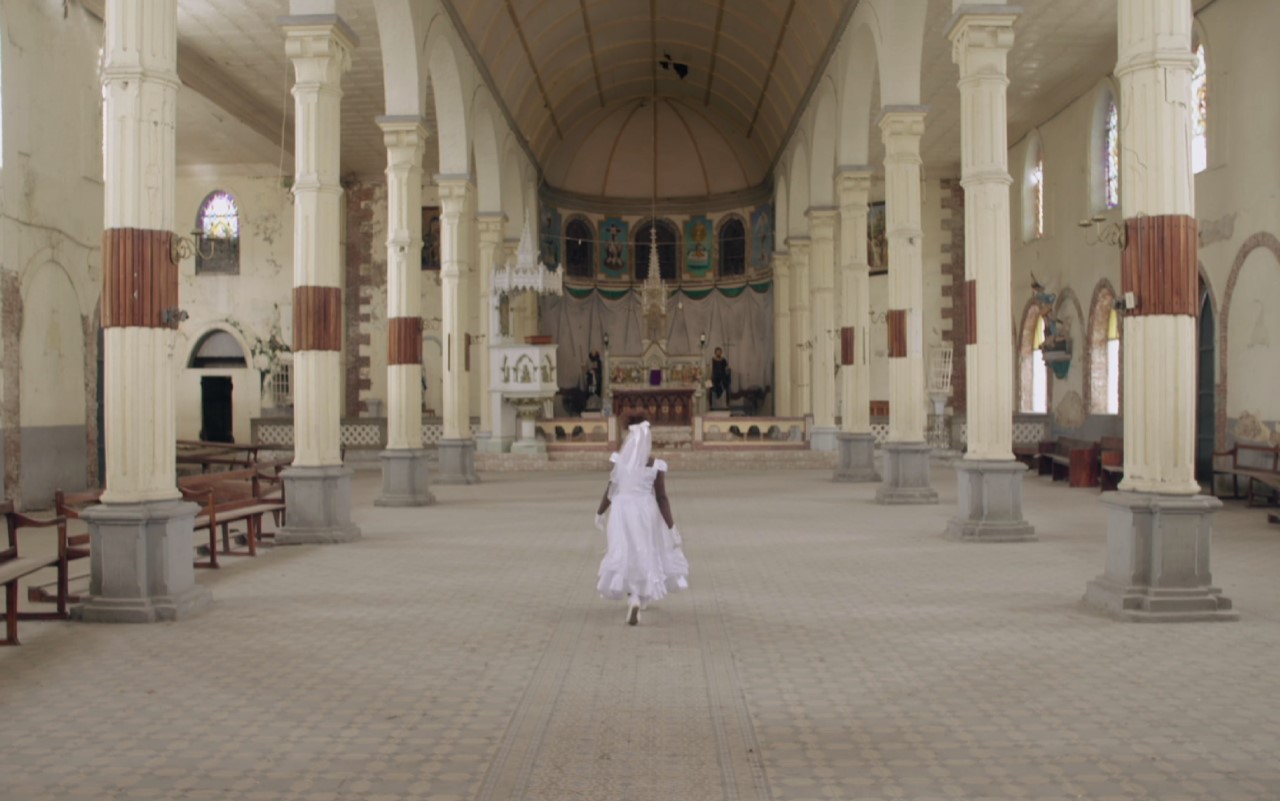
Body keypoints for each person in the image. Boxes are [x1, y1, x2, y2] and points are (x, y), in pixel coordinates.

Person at [594, 420, 689, 625]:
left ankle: (635, 597)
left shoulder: (620, 462)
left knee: (624, 550)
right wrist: (671, 526)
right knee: (644, 550)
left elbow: (611, 490)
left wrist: (600, 512)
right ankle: (642, 596)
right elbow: (662, 498)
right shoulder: (655, 465)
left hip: (621, 510)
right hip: (645, 510)